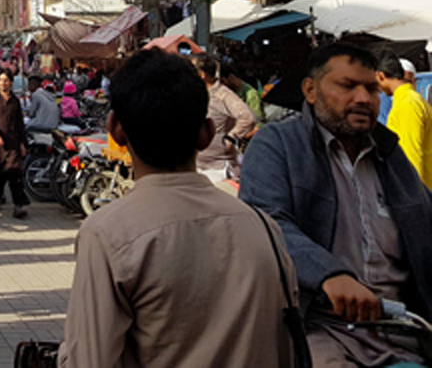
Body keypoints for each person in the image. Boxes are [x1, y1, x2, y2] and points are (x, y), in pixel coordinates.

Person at [59, 49, 301, 368]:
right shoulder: (263, 228)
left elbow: (88, 360)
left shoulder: (108, 233)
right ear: (207, 133)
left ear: (115, 129)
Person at [240, 41, 432, 367]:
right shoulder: (278, 144)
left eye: (371, 89)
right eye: (347, 86)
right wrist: (328, 275)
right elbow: (266, 221)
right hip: (319, 328)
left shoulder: (391, 154)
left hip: (402, 329)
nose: (363, 98)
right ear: (310, 90)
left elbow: (425, 219)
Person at [192, 53, 256, 183]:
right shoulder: (198, 93)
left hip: (218, 169)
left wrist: (231, 137)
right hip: (198, 165)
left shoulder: (222, 95)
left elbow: (248, 117)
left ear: (202, 74)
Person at [378, 54, 432, 189]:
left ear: (380, 76)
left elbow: (411, 156)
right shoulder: (410, 100)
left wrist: (413, 194)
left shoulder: (407, 104)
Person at [0, 69, 28, 219]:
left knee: (15, 173)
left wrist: (22, 143)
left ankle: (19, 205)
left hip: (12, 144)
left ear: (11, 82)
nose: (3, 83)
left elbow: (19, 124)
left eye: (6, 80)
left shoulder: (15, 102)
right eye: (1, 80)